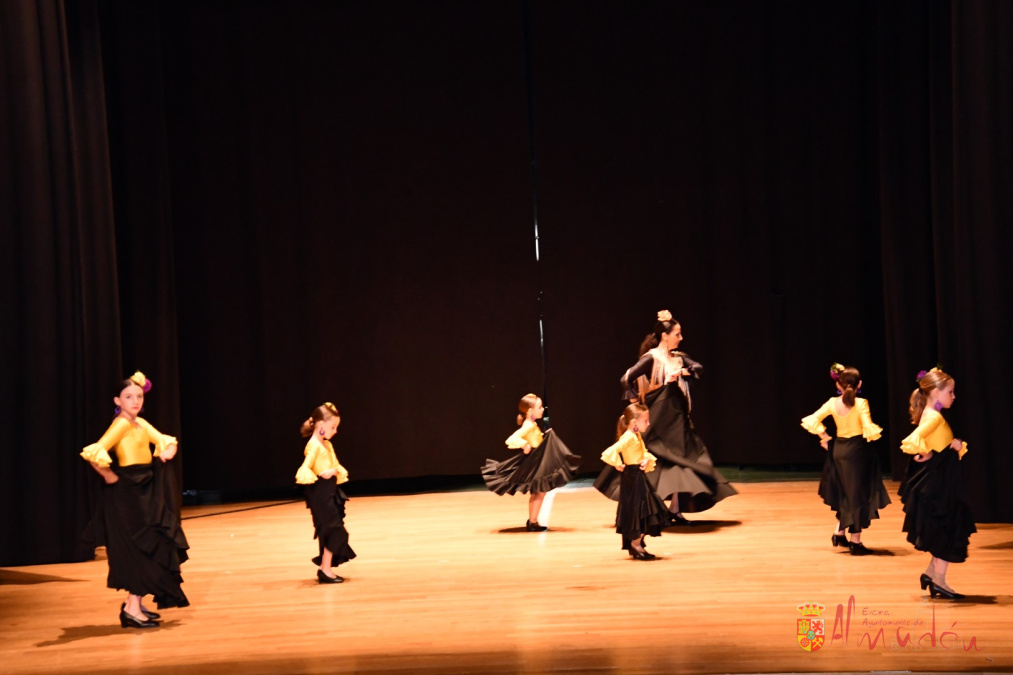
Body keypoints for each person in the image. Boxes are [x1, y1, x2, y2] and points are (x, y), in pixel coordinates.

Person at [595, 310, 736, 524]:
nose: (681, 338)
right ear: (665, 336)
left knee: (681, 460)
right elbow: (626, 378)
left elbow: (699, 367)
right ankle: (648, 508)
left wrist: (685, 371)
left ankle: (675, 510)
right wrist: (635, 401)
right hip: (659, 418)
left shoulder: (678, 358)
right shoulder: (652, 358)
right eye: (677, 334)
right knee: (654, 461)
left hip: (677, 419)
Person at [80, 371, 189, 629]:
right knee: (141, 547)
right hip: (128, 495)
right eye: (129, 397)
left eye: (139, 396)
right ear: (117, 401)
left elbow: (165, 440)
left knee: (148, 544)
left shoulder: (139, 423)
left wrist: (167, 451)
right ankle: (131, 609)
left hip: (143, 489)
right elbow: (95, 452)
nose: (135, 401)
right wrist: (110, 477)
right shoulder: (121, 424)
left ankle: (135, 605)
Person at [898, 368, 975, 600]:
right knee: (946, 528)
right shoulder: (934, 417)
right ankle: (939, 581)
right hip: (940, 484)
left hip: (943, 479)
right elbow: (912, 440)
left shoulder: (932, 414)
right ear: (935, 392)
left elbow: (935, 442)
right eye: (950, 392)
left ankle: (931, 574)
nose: (954, 396)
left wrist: (953, 445)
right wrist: (926, 452)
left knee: (945, 526)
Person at [801, 363, 891, 555]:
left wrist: (825, 437)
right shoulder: (861, 403)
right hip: (857, 452)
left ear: (838, 385)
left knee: (846, 493)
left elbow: (812, 419)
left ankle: (839, 532)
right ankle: (855, 542)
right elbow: (867, 427)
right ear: (859, 384)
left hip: (839, 450)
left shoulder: (832, 403)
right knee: (857, 495)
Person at [482, 393, 581, 531]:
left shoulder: (532, 423)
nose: (542, 409)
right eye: (539, 407)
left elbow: (534, 439)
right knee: (540, 491)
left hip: (538, 460)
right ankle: (532, 522)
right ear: (530, 411)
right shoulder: (528, 425)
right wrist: (524, 444)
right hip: (534, 462)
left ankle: (532, 521)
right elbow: (511, 439)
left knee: (540, 491)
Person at [295, 402, 356, 583]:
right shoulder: (313, 446)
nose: (335, 431)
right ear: (321, 425)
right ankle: (325, 570)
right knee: (336, 532)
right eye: (333, 427)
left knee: (330, 532)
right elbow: (306, 467)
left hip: (330, 491)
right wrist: (322, 474)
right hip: (320, 494)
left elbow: (335, 466)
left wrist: (333, 471)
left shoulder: (327, 445)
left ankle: (325, 570)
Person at [600, 403, 667, 559]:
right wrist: (618, 463)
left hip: (637, 476)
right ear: (635, 422)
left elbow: (642, 452)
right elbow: (610, 451)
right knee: (640, 510)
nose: (648, 423)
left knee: (643, 510)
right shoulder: (629, 437)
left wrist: (645, 459)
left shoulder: (635, 435)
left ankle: (637, 544)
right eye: (646, 420)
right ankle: (635, 545)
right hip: (633, 477)